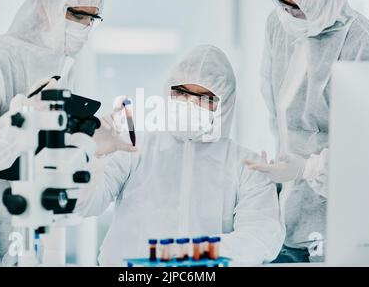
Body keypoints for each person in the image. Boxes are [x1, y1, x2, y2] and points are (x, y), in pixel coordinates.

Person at [0, 0, 135, 266]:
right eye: (77, 15)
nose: (85, 26)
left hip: (20, 240)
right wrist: (21, 121)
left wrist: (89, 146)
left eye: (92, 18)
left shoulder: (61, 72)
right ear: (43, 6)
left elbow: (46, 167)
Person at [77, 45, 284, 266]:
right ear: (169, 91)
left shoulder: (246, 166)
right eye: (183, 93)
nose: (191, 104)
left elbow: (260, 236)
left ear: (225, 105)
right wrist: (91, 154)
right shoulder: (134, 148)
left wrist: (187, 258)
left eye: (205, 98)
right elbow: (85, 203)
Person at [245, 0, 369, 263]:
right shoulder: (278, 26)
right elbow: (277, 110)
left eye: (297, 7)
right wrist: (285, 168)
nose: (288, 14)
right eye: (281, 2)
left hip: (344, 218)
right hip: (288, 217)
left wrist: (308, 169)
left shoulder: (365, 44)